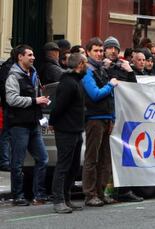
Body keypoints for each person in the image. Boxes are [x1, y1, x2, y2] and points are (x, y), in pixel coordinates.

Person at [5, 44, 49, 206]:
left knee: (43, 159)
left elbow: (36, 96)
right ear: (20, 57)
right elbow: (12, 99)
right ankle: (18, 196)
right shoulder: (13, 77)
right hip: (19, 125)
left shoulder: (34, 74)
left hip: (34, 124)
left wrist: (41, 103)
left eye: (33, 55)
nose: (33, 57)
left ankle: (39, 194)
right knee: (17, 162)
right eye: (29, 55)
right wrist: (34, 101)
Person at [103, 36, 144, 202]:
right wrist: (104, 68)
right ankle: (106, 191)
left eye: (116, 48)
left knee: (125, 155)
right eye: (110, 48)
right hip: (108, 116)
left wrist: (130, 71)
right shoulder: (101, 67)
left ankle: (125, 190)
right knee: (107, 157)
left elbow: (135, 90)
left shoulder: (123, 68)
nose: (113, 51)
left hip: (125, 117)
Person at [82, 37, 119, 207]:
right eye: (95, 50)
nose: (99, 53)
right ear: (88, 52)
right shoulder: (87, 71)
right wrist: (110, 86)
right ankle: (90, 194)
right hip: (94, 119)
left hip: (106, 119)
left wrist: (111, 118)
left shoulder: (101, 69)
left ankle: (101, 192)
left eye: (100, 50)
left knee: (105, 159)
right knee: (92, 158)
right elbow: (95, 94)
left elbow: (109, 99)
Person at [50, 53, 88, 213]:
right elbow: (58, 107)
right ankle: (58, 200)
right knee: (63, 166)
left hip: (76, 130)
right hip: (66, 130)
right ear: (80, 64)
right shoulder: (68, 83)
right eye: (85, 62)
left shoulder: (76, 82)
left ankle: (67, 197)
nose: (87, 66)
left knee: (73, 167)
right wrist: (52, 122)